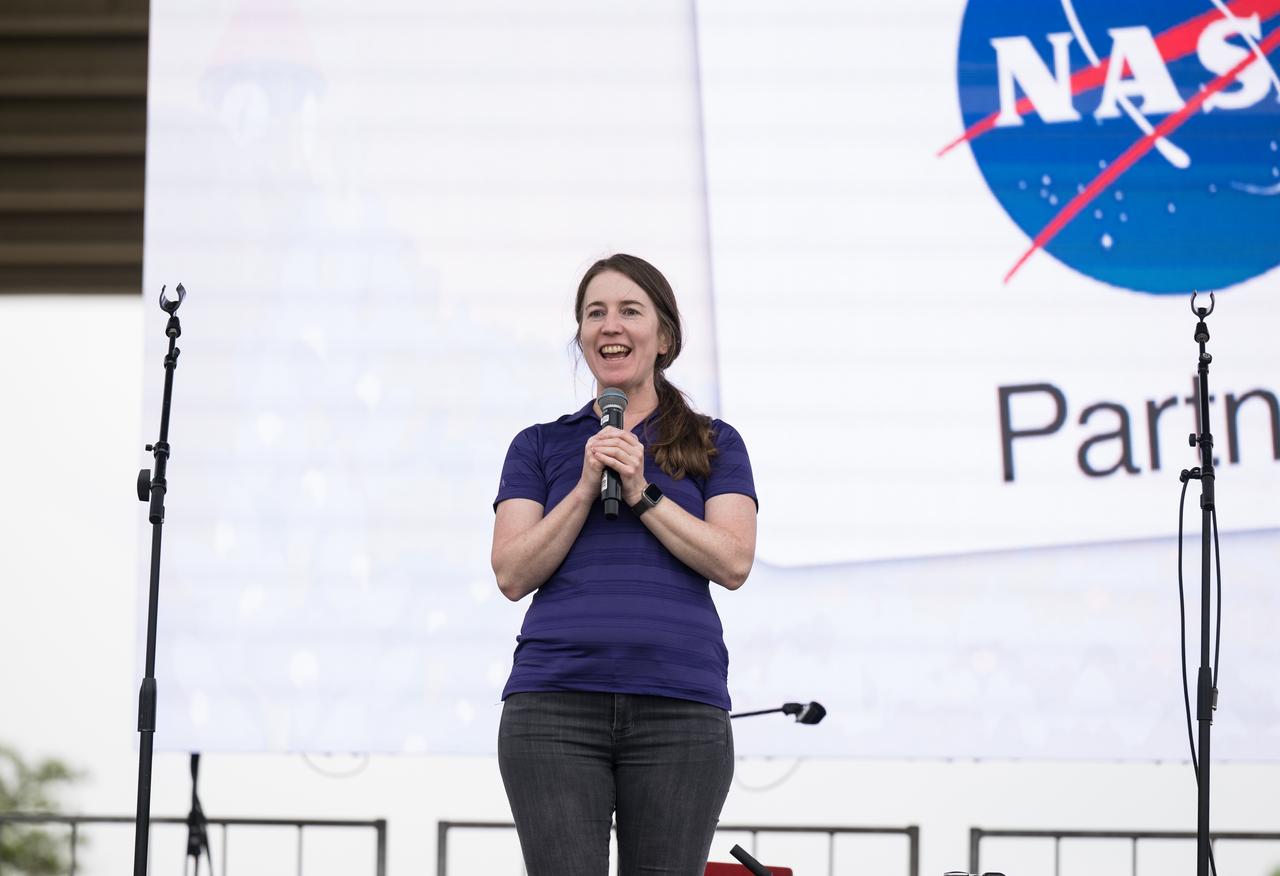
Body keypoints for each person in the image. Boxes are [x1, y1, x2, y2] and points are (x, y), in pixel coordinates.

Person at [491, 253, 759, 876]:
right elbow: (511, 573)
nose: (610, 325)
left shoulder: (714, 442)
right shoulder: (540, 445)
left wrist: (641, 490)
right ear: (582, 337)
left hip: (680, 707)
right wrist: (585, 486)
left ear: (664, 337)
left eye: (629, 311)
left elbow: (733, 560)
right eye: (595, 313)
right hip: (554, 706)